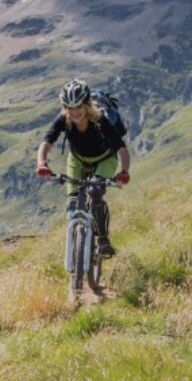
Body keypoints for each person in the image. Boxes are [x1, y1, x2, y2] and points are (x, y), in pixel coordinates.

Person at [36, 79, 131, 257]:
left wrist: (124, 171)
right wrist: (42, 163)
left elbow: (121, 148)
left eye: (78, 106)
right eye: (70, 108)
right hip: (77, 160)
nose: (75, 112)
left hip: (104, 160)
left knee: (95, 193)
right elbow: (47, 142)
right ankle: (77, 245)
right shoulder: (64, 119)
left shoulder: (100, 120)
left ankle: (103, 240)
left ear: (87, 104)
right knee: (72, 202)